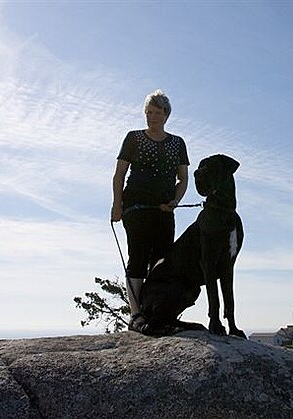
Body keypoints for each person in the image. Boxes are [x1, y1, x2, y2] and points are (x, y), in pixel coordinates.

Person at [111, 90, 189, 332]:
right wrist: (117, 204)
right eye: (149, 113)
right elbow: (120, 174)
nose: (152, 117)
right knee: (138, 256)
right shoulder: (133, 138)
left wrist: (175, 201)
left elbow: (183, 179)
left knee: (162, 262)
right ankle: (136, 316)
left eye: (157, 113)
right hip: (135, 207)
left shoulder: (178, 143)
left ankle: (157, 312)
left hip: (164, 210)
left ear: (166, 115)